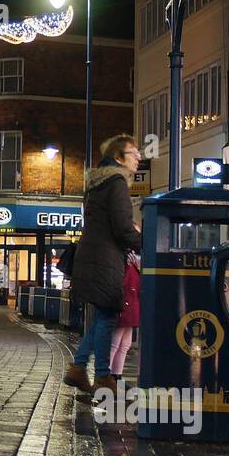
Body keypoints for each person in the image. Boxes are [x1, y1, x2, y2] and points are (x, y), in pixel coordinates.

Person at [67, 134, 143, 395]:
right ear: (120, 158)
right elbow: (123, 228)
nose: (139, 157)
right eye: (134, 153)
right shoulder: (117, 182)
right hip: (105, 260)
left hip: (92, 258)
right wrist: (147, 245)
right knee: (108, 315)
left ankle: (78, 369)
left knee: (102, 317)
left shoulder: (98, 184)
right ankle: (102, 376)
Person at [108, 249, 142, 381]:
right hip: (129, 305)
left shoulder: (130, 264)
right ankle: (111, 374)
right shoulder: (129, 264)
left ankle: (114, 375)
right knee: (119, 343)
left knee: (122, 343)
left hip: (128, 305)